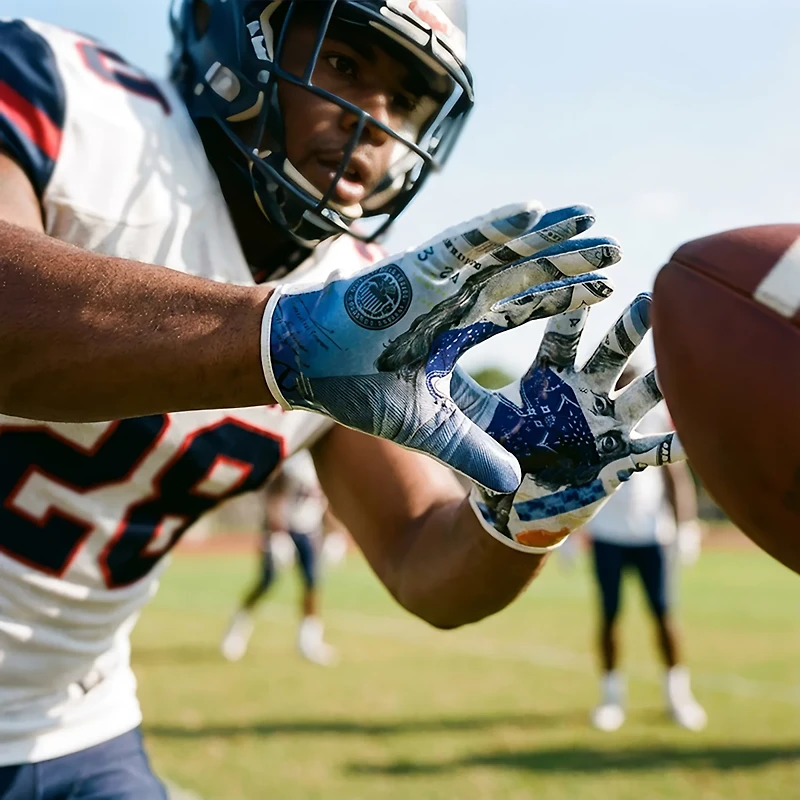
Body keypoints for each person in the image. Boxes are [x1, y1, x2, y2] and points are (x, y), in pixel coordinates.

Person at [0, 1, 684, 796]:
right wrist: (279, 339)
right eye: (346, 64)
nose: (378, 122)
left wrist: (524, 514)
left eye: (411, 101)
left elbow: (421, 560)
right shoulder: (71, 100)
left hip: (75, 723)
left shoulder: (354, 296)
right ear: (237, 31)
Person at [585, 366, 707, 733]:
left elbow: (674, 473)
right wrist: (574, 535)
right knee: (609, 617)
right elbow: (578, 475)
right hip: (607, 533)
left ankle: (677, 696)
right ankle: (611, 699)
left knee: (664, 615)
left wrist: (685, 524)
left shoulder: (655, 412)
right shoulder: (593, 415)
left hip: (653, 533)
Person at [221, 450, 338, 666]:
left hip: (309, 531)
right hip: (284, 529)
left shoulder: (324, 464)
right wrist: (277, 535)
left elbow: (327, 502)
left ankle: (308, 642)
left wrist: (333, 534)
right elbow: (275, 500)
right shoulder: (293, 461)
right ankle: (237, 627)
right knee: (266, 582)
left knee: (312, 584)